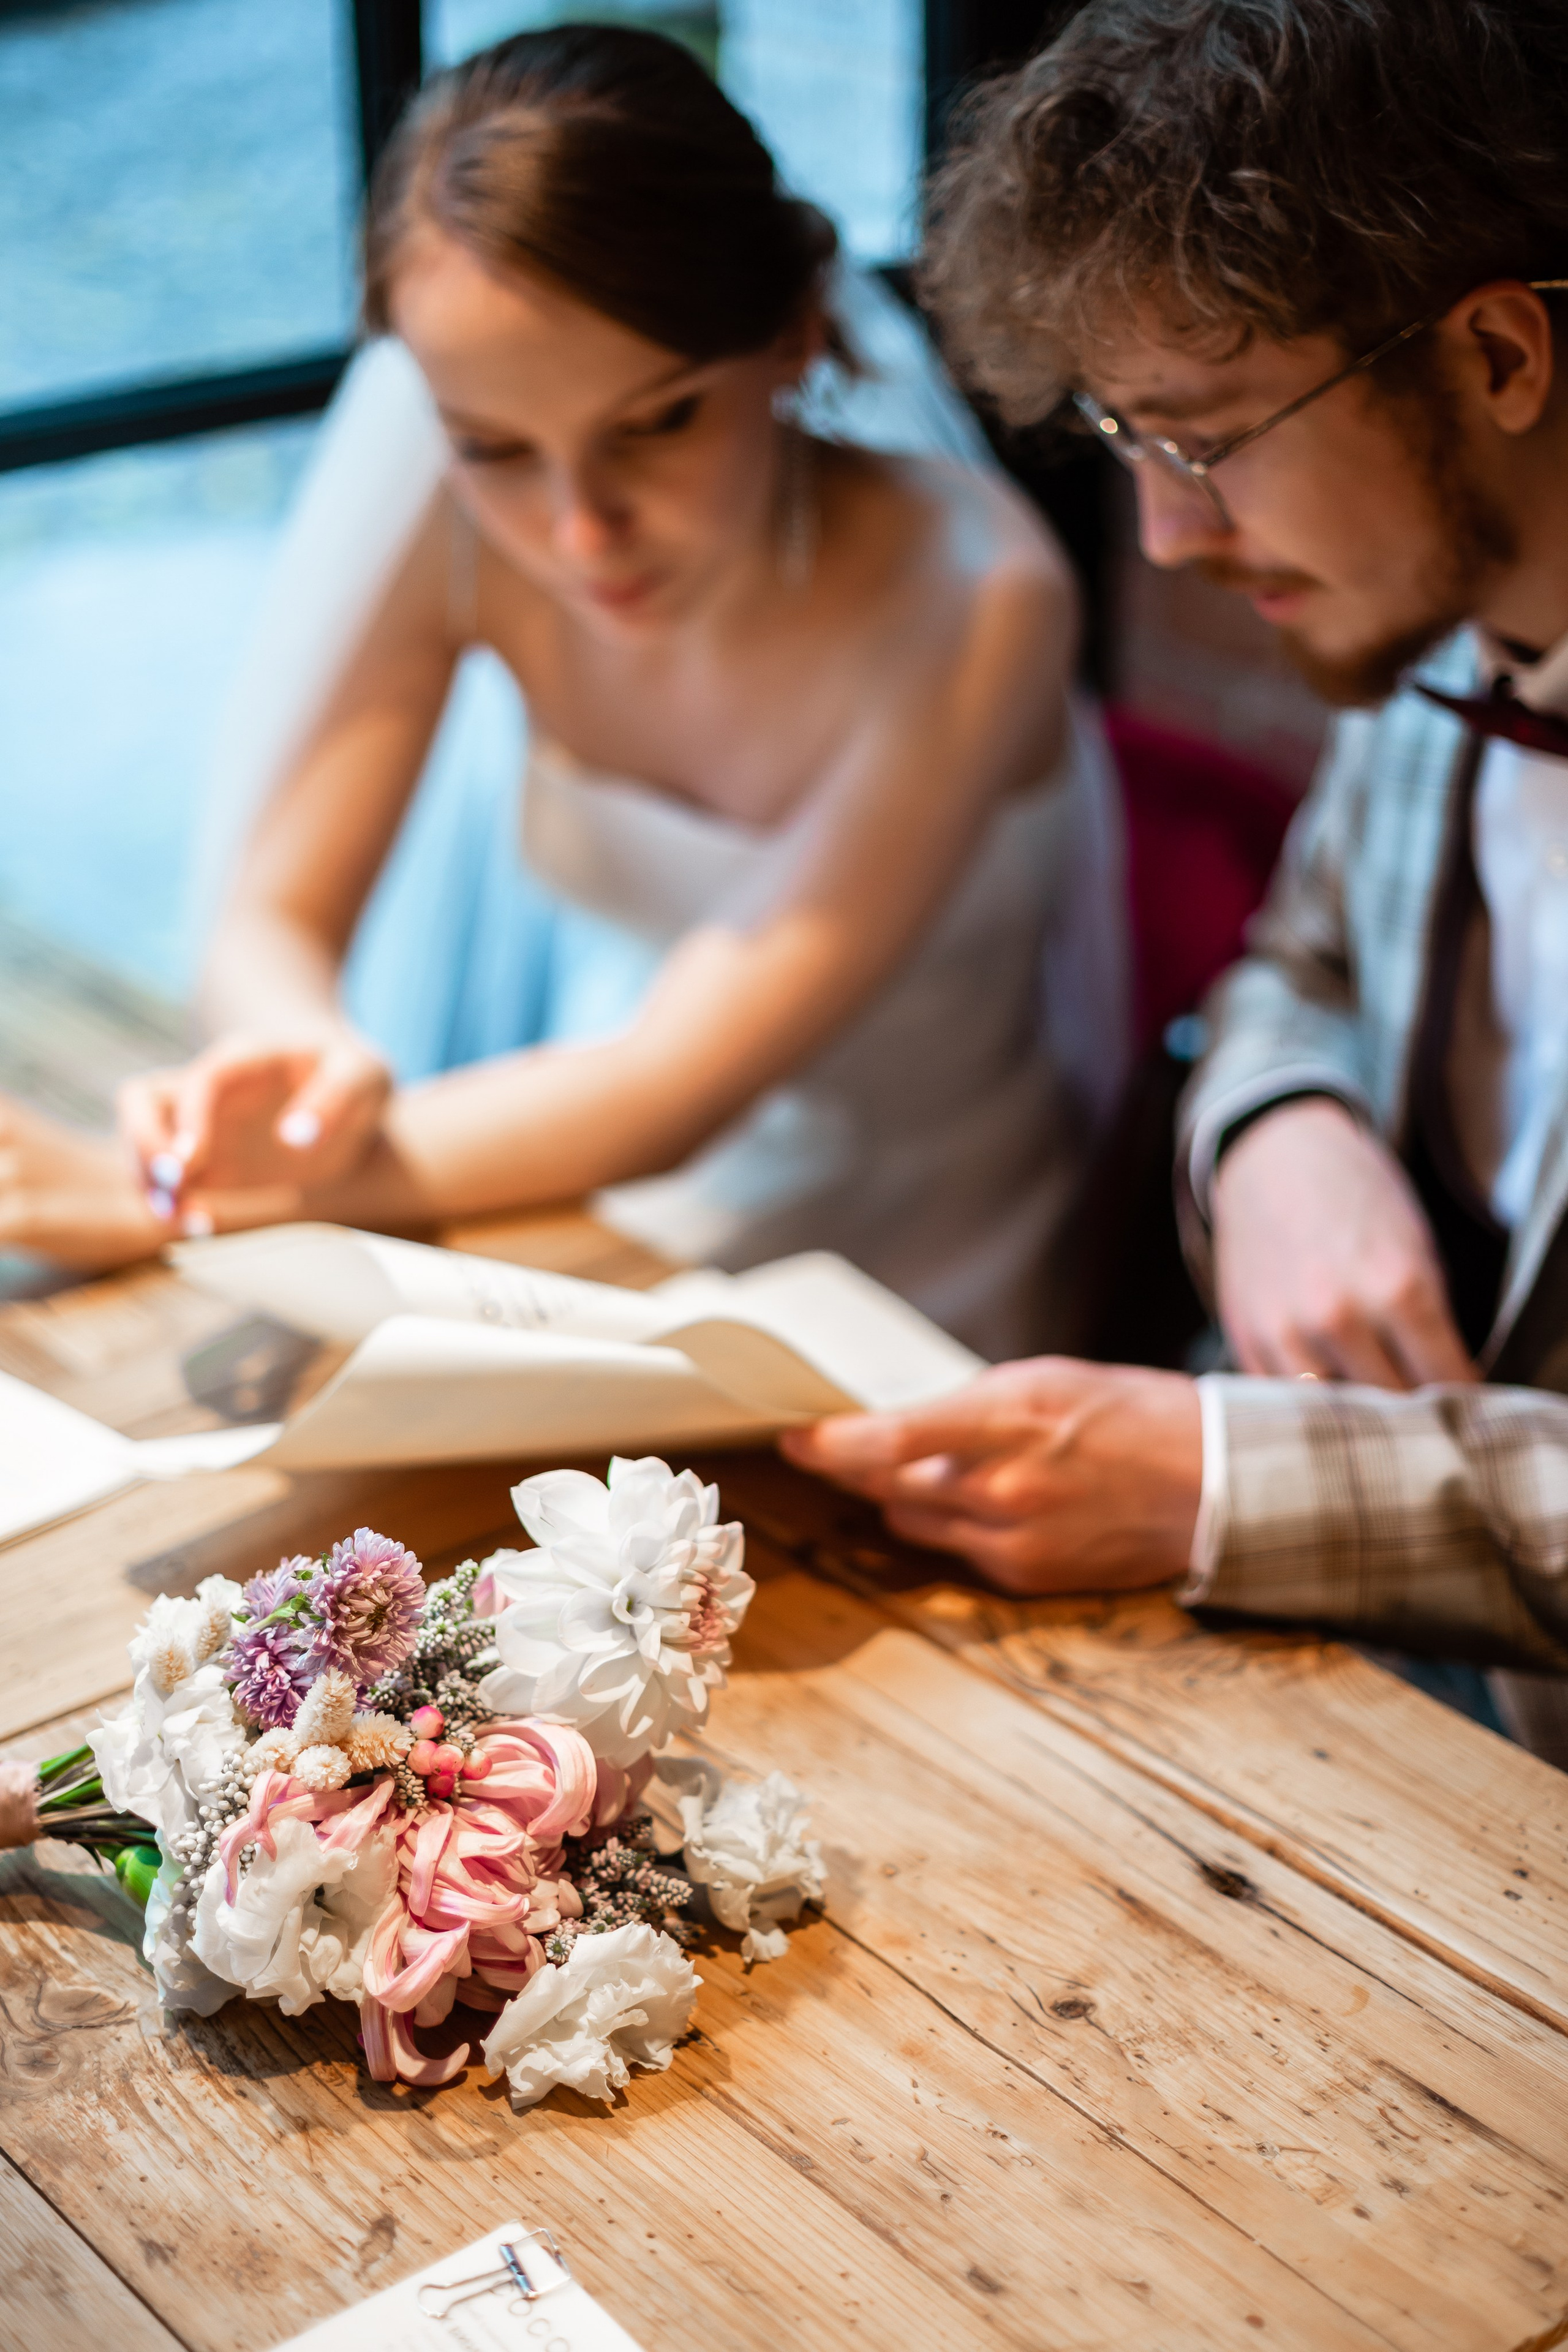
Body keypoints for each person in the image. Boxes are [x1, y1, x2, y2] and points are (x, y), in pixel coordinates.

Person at [0, 25, 1126, 1363]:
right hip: (564, 1185)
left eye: (655, 424)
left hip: (909, 1261)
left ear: (788, 331)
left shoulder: (976, 593)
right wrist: (307, 1058)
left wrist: (167, 1200)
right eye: (491, 449)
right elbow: (268, 910)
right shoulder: (448, 506)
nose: (578, 531)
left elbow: (670, 1091)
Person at [786, 0, 1568, 1741]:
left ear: (1499, 358)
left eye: (1203, 438)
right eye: (1127, 444)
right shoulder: (1439, 639)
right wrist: (1281, 1127)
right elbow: (1294, 967)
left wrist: (1217, 1478)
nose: (1167, 536)